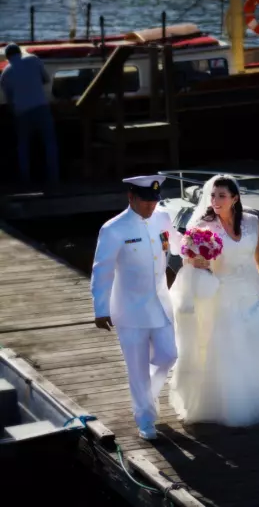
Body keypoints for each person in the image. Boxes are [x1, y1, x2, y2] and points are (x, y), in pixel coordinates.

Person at [169, 174, 259, 427]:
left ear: (235, 198)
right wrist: (195, 260)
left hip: (251, 292)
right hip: (222, 295)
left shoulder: (253, 223)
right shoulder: (203, 226)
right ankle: (232, 404)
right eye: (212, 195)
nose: (215, 200)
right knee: (229, 349)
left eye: (222, 195)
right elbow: (187, 259)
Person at [90, 175, 182, 440]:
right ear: (131, 198)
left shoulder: (163, 217)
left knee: (168, 356)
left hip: (161, 304)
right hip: (129, 309)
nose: (150, 206)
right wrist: (100, 308)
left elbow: (174, 243)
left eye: (154, 201)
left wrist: (198, 246)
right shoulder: (114, 228)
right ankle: (145, 419)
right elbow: (102, 270)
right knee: (137, 367)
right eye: (145, 201)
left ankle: (146, 400)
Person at [0, 43, 59, 183]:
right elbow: (46, 79)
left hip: (22, 112)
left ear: (7, 57)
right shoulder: (33, 60)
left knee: (23, 145)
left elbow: (9, 100)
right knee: (50, 143)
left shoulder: (5, 74)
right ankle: (54, 177)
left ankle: (25, 178)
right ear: (20, 52)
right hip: (41, 107)